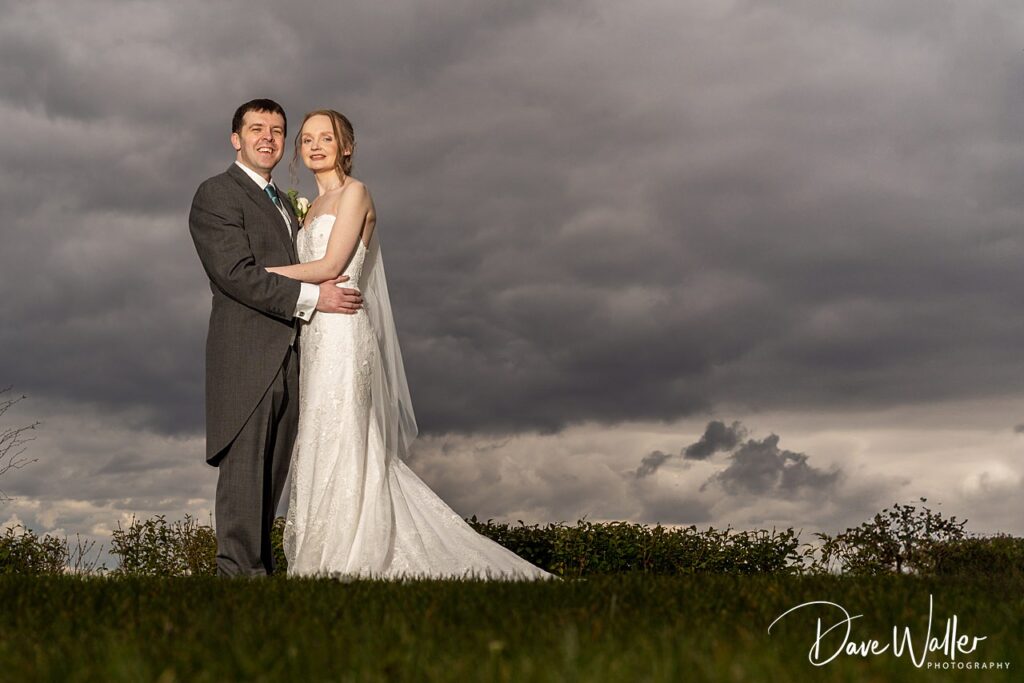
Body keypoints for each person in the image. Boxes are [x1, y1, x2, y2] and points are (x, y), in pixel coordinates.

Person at [267, 109, 556, 580]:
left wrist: (255, 275)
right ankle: (318, 557)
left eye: (327, 137)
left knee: (346, 435)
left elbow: (331, 265)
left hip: (342, 333)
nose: (314, 145)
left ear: (348, 147)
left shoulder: (355, 194)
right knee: (319, 434)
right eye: (306, 139)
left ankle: (351, 554)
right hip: (314, 335)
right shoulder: (308, 208)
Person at [188, 99, 363, 577]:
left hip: (293, 355)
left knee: (272, 477)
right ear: (236, 139)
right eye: (256, 128)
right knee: (244, 476)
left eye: (277, 130)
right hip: (247, 355)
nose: (268, 137)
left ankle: (261, 577)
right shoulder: (217, 194)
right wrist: (312, 298)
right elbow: (236, 275)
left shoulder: (286, 204)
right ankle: (238, 579)